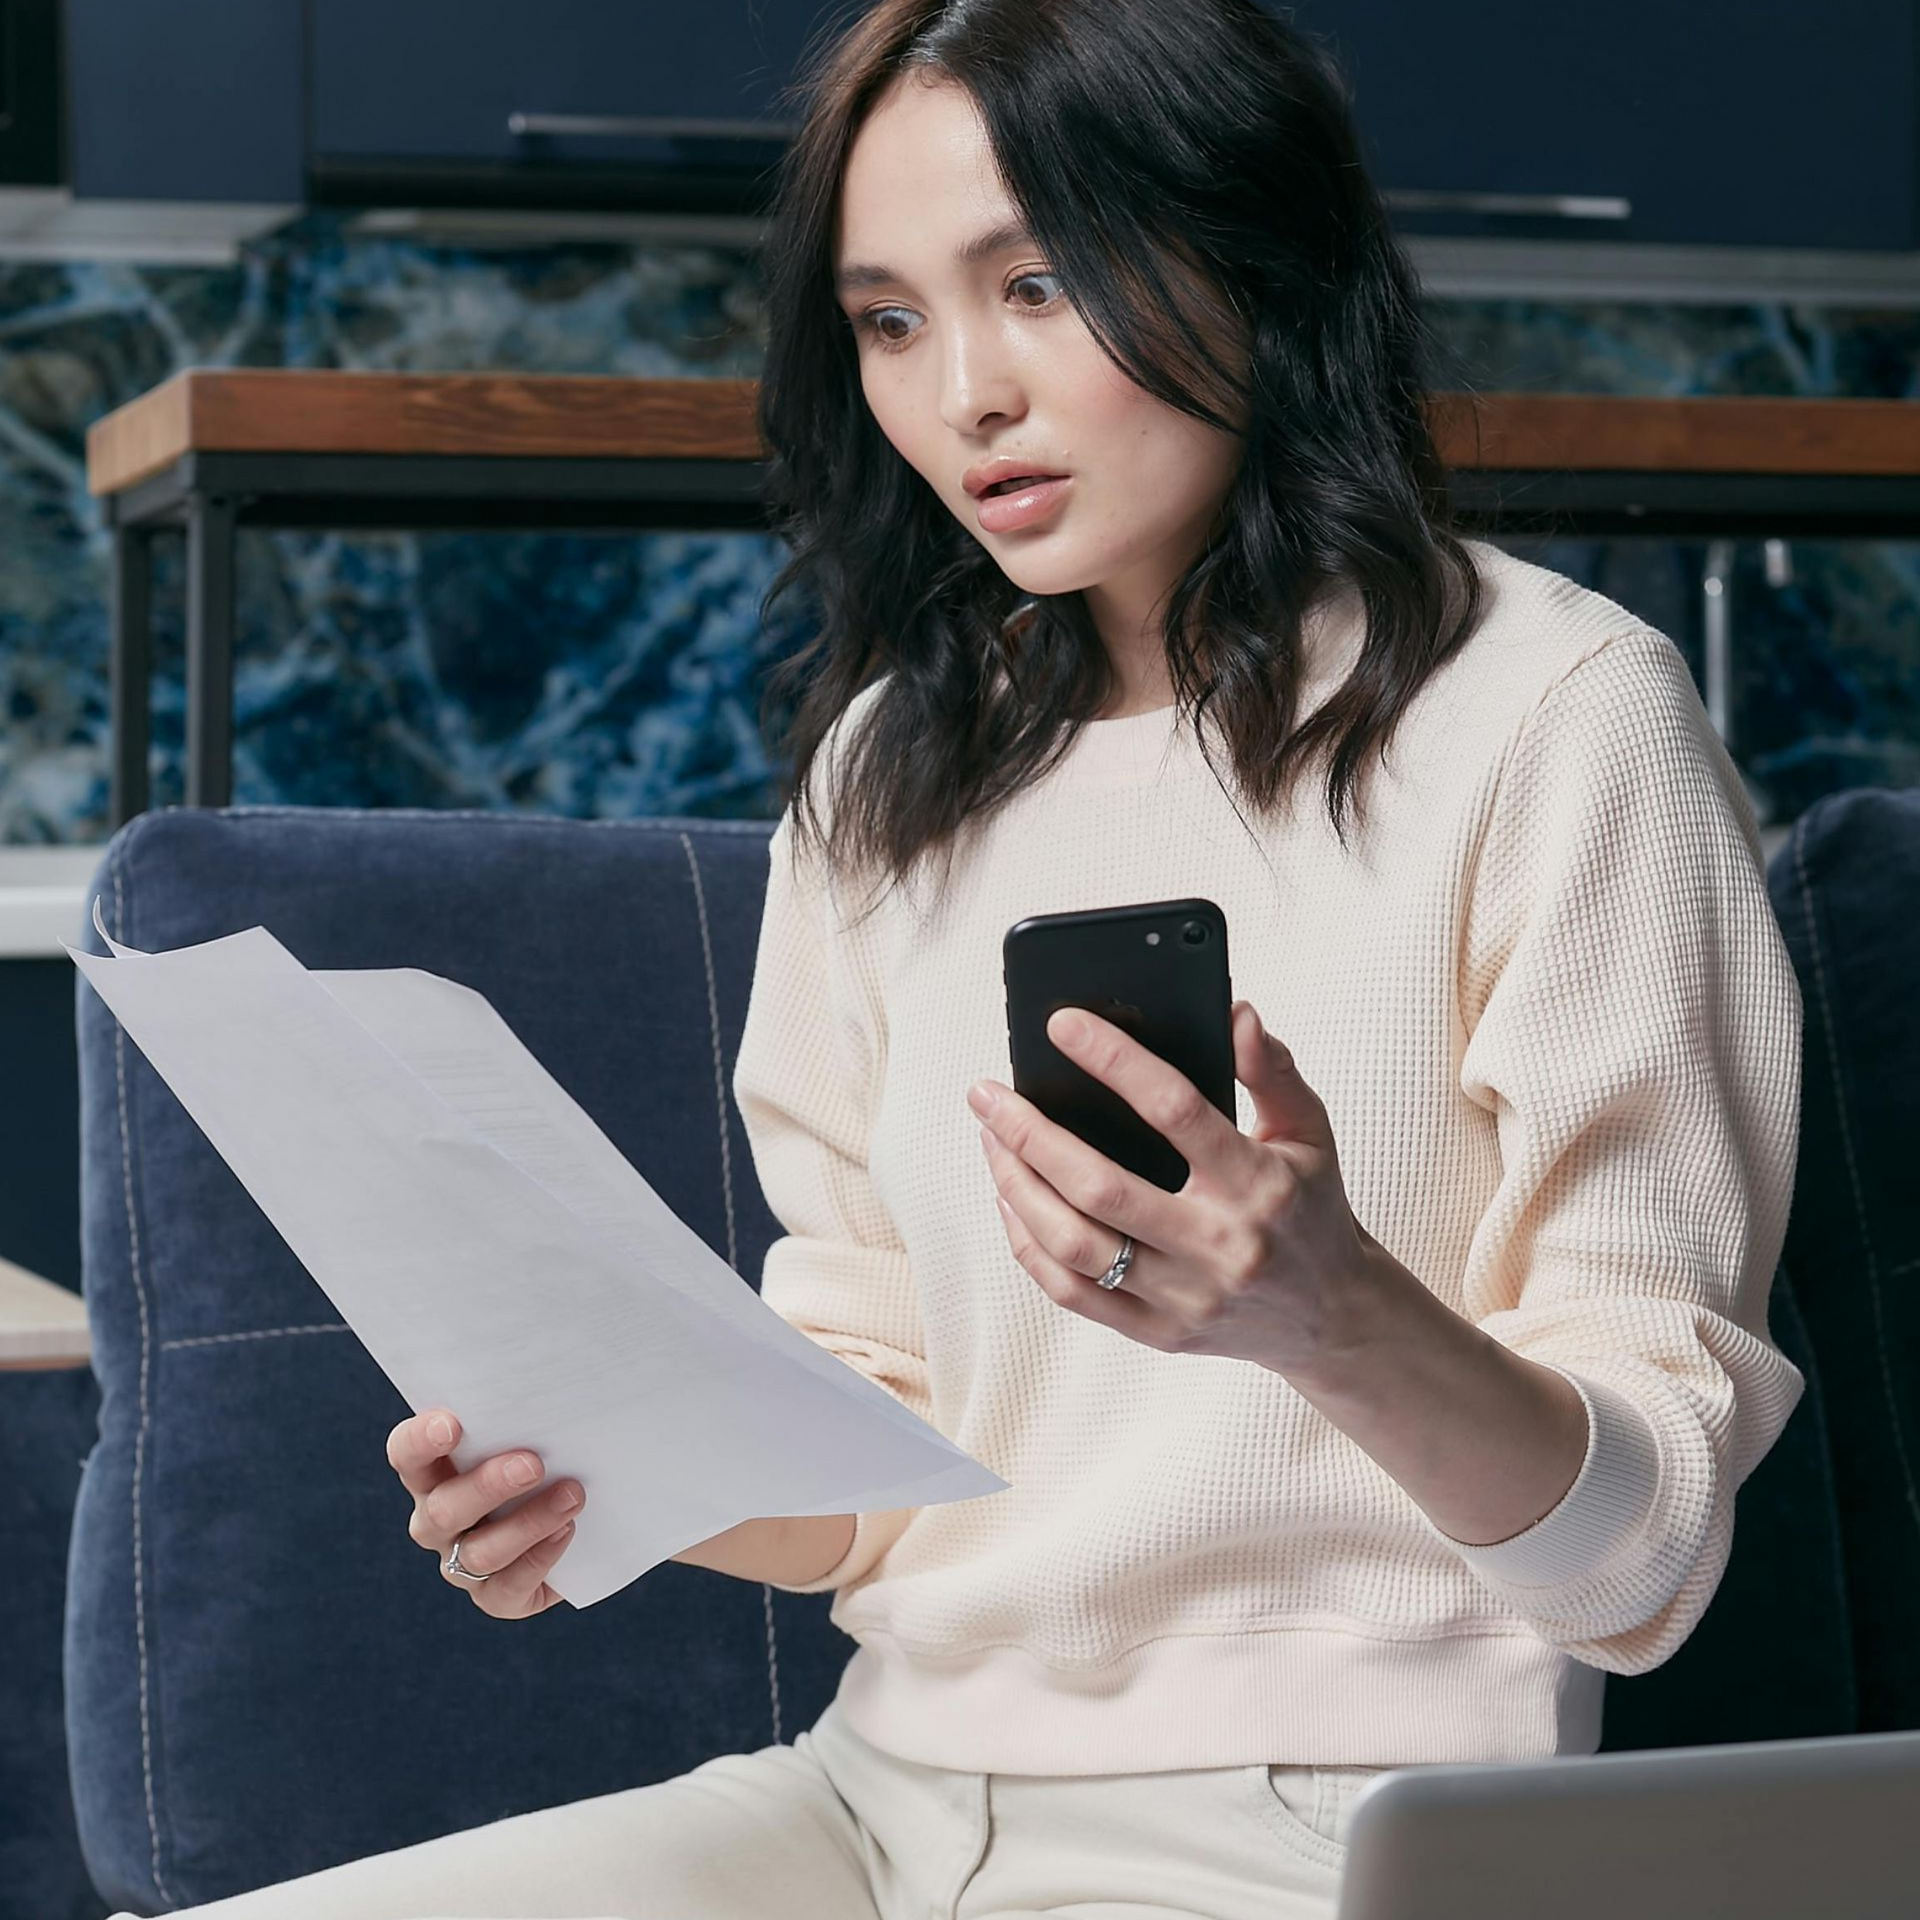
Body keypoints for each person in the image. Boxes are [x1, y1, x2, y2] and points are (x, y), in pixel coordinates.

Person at [129, 0, 1805, 1915]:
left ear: (1251, 253)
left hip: (1314, 1829)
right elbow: (880, 1454)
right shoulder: (889, 772)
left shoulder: (1560, 720)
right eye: (891, 321)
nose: (961, 399)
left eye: (1034, 284)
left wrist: (1332, 1309)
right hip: (875, 1800)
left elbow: (1645, 1562)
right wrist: (616, 1479)